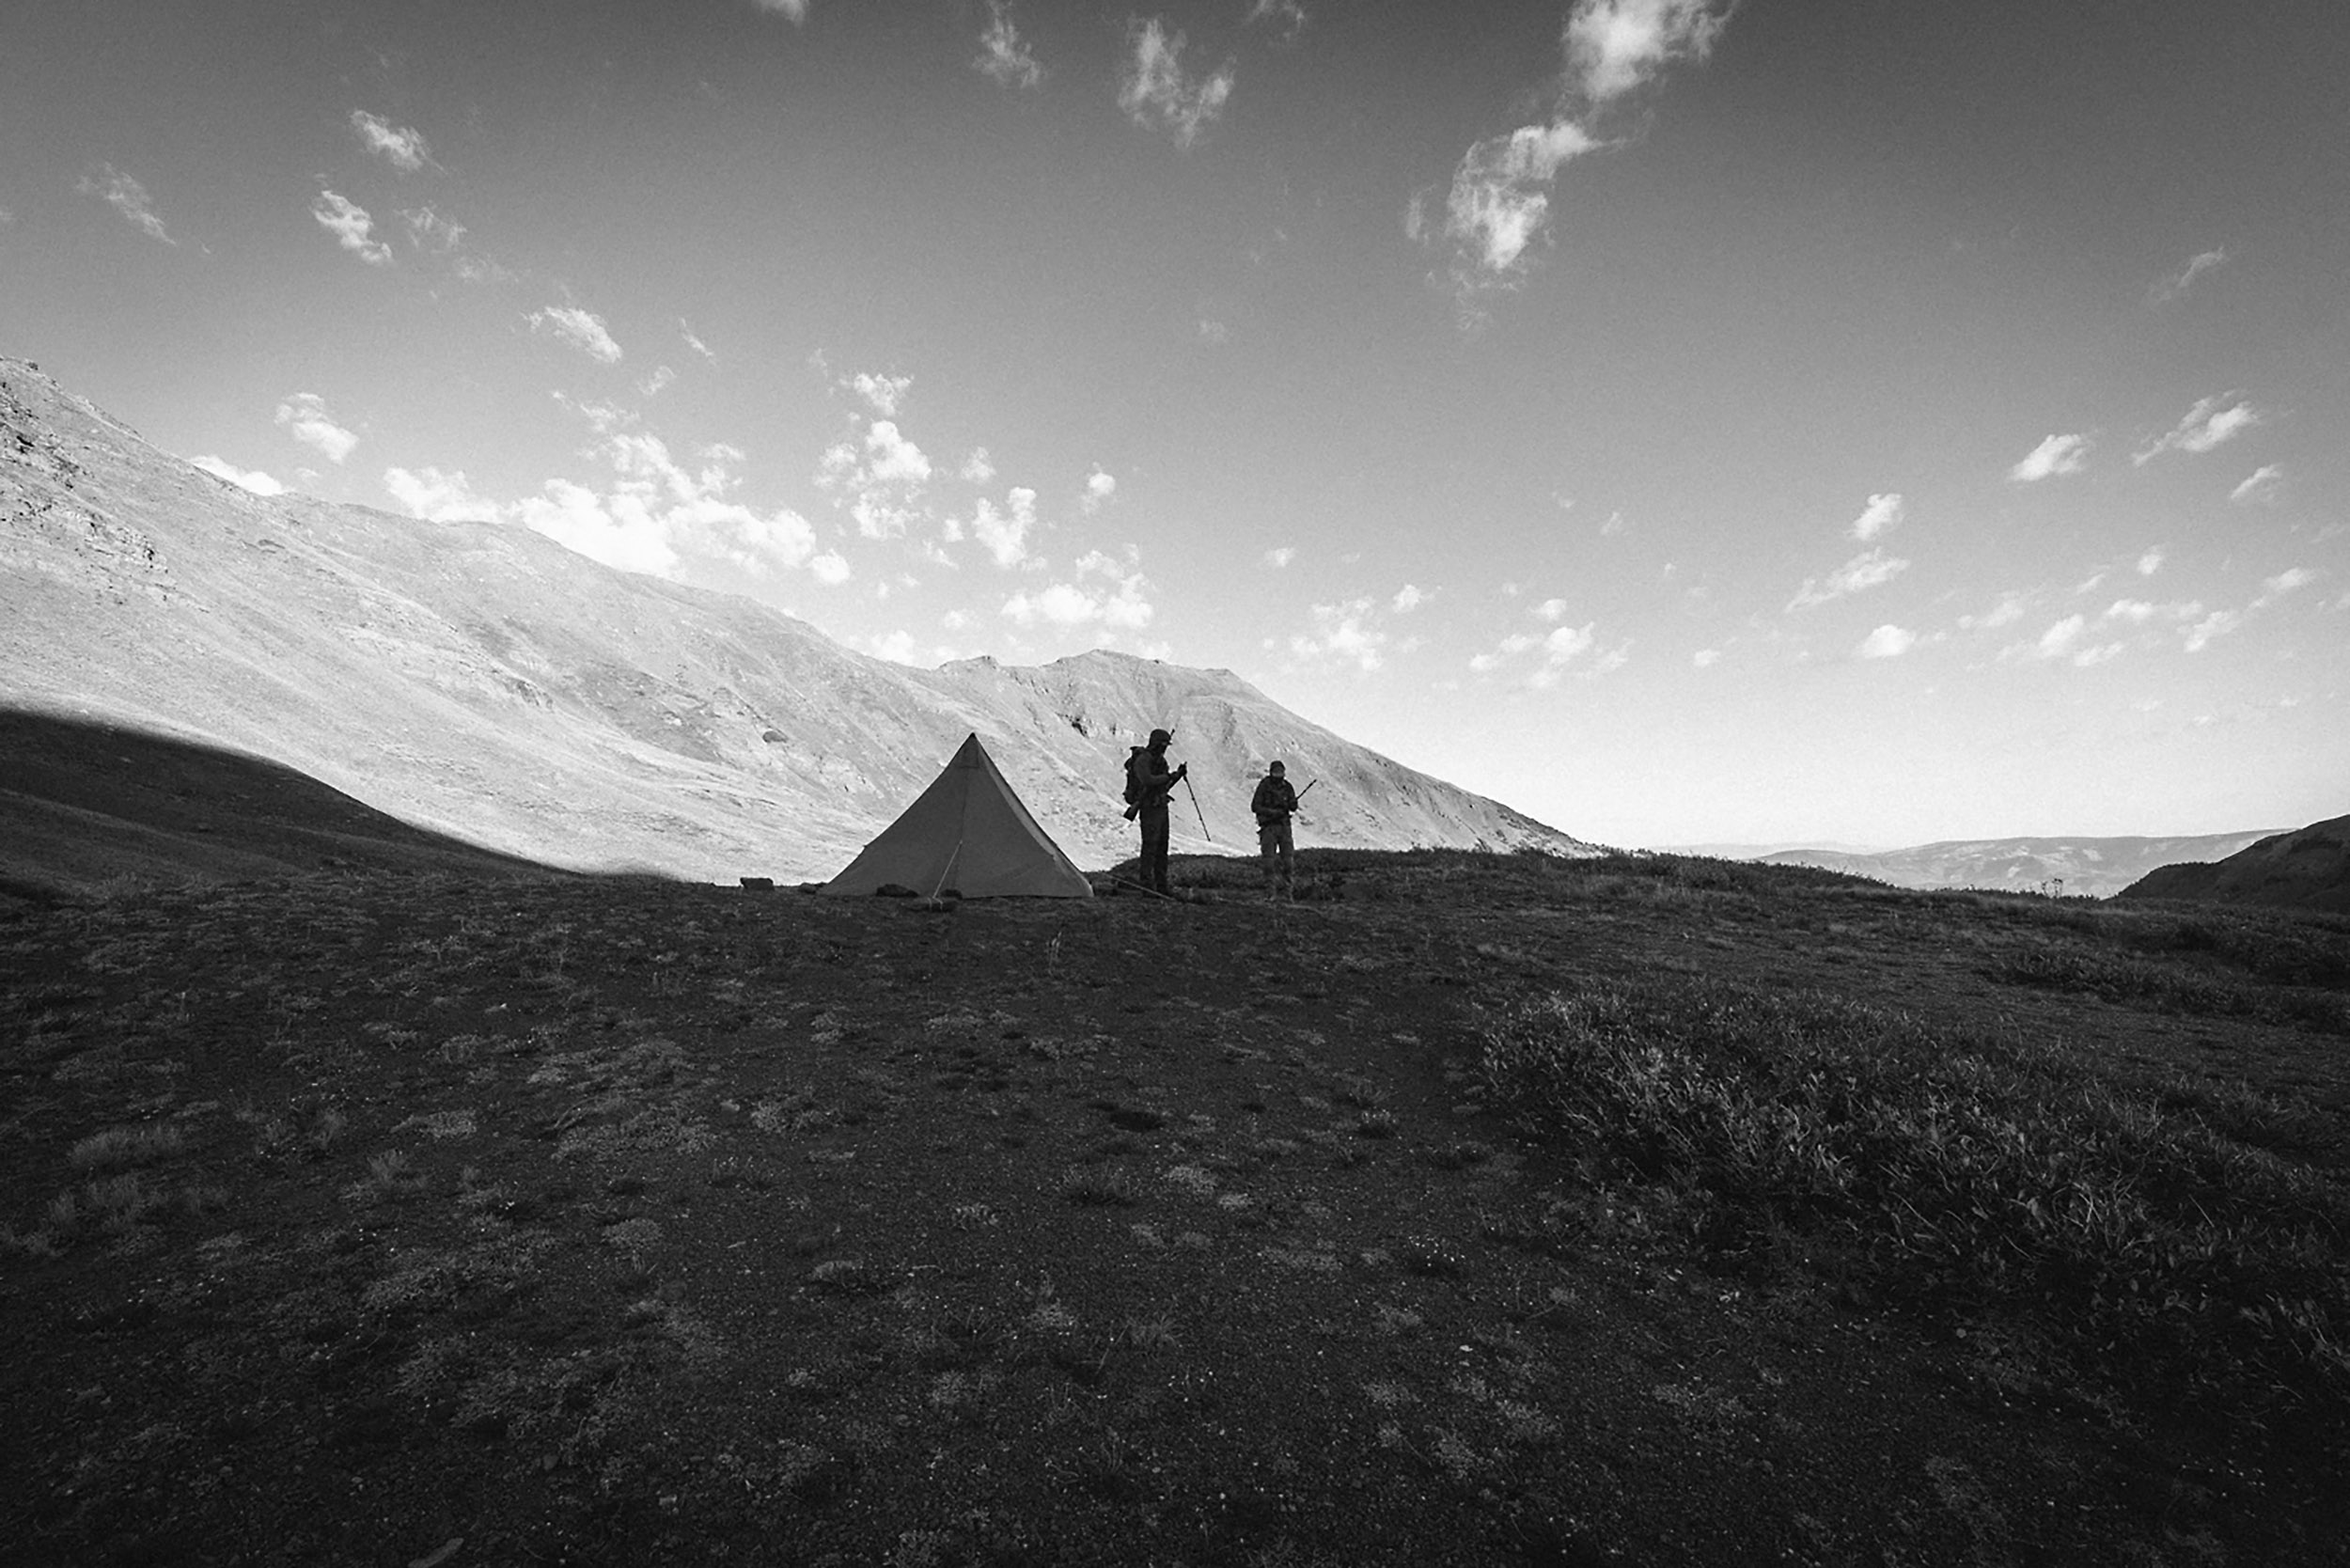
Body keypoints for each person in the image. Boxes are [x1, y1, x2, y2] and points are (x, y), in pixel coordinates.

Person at [1125, 728, 1186, 895]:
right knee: (1150, 846)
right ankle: (1146, 885)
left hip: (1160, 806)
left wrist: (1176, 776)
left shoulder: (1160, 761)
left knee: (1162, 847)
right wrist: (1169, 776)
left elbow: (1163, 786)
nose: (1165, 748)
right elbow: (1148, 780)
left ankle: (1161, 884)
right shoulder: (1143, 760)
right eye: (1163, 744)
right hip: (1148, 807)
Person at [1249, 759, 1299, 900]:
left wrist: (1292, 803)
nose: (1279, 775)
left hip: (1284, 827)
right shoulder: (1264, 786)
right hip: (1269, 827)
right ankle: (1270, 893)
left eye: (1281, 772)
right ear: (1271, 772)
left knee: (1288, 862)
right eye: (1276, 772)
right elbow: (1255, 806)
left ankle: (1287, 894)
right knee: (1269, 863)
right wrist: (1272, 813)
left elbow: (1293, 807)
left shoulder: (1287, 787)